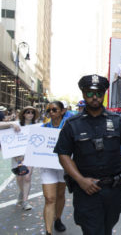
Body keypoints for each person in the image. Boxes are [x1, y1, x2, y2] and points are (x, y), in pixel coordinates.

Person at [54, 74, 121, 235]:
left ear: (104, 94)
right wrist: (80, 180)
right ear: (83, 94)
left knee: (107, 228)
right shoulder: (72, 124)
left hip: (113, 191)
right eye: (89, 93)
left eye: (99, 93)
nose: (94, 97)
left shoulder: (117, 121)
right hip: (87, 191)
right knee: (93, 230)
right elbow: (63, 154)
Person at [42, 101, 67, 235]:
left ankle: (58, 218)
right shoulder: (44, 127)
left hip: (64, 165)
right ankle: (48, 231)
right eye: (49, 110)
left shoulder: (69, 126)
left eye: (54, 109)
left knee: (60, 194)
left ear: (62, 111)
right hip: (48, 166)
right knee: (50, 198)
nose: (51, 112)